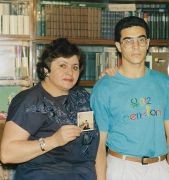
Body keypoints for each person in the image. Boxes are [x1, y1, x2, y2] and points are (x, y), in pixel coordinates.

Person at [91, 16, 169, 180]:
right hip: (122, 167)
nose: (136, 47)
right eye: (128, 41)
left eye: (141, 40)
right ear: (118, 46)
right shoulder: (104, 87)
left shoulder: (165, 84)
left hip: (160, 167)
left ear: (147, 43)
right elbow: (99, 143)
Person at [0, 38, 99, 180]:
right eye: (62, 66)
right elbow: (7, 154)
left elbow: (92, 143)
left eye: (75, 67)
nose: (70, 72)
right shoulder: (29, 100)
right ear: (46, 70)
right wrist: (54, 140)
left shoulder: (82, 97)